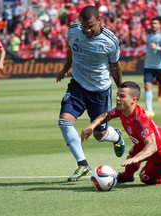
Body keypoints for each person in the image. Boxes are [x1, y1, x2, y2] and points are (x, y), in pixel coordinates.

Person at [56, 5, 125, 182]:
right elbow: (71, 50)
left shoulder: (110, 41)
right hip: (78, 86)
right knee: (64, 122)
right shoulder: (73, 31)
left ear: (99, 21)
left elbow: (115, 66)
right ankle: (82, 164)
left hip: (100, 91)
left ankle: (116, 136)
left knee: (100, 135)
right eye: (84, 25)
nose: (87, 30)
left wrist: (122, 89)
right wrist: (65, 69)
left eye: (91, 26)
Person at [81, 81, 161, 185]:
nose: (117, 98)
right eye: (117, 95)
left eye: (122, 96)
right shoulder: (122, 110)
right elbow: (106, 115)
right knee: (131, 155)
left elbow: (153, 146)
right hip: (152, 140)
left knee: (145, 178)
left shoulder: (139, 121)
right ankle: (127, 177)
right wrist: (92, 126)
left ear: (134, 100)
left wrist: (137, 158)